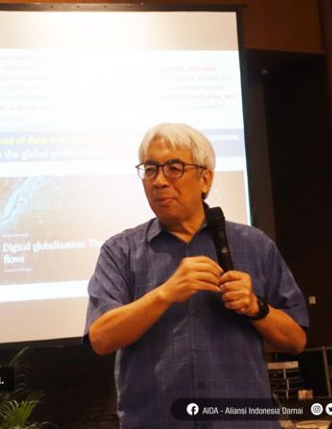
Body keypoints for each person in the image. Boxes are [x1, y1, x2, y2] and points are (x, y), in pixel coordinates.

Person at [84, 123, 309, 428]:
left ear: (205, 178)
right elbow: (100, 338)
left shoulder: (254, 245)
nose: (159, 181)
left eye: (173, 168)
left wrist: (257, 307)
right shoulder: (120, 250)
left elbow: (296, 341)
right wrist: (165, 293)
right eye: (150, 169)